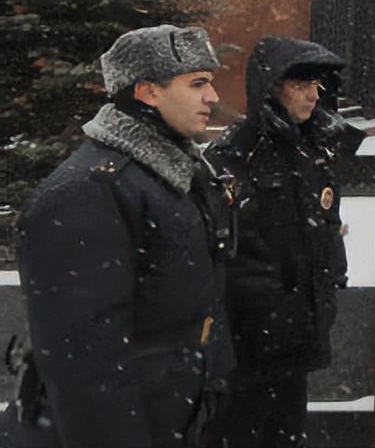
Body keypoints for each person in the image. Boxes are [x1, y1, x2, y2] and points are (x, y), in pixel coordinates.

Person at [5, 25, 237, 448]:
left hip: (170, 409)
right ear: (148, 92)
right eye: (198, 84)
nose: (213, 97)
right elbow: (83, 357)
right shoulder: (89, 190)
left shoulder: (173, 173)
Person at [204, 38, 367, 448]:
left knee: (286, 433)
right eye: (300, 85)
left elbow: (323, 228)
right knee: (240, 432)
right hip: (251, 344)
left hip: (297, 336)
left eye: (316, 85)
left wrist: (325, 289)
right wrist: (274, 311)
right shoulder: (237, 154)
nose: (313, 95)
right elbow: (230, 252)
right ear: (271, 88)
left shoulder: (310, 150)